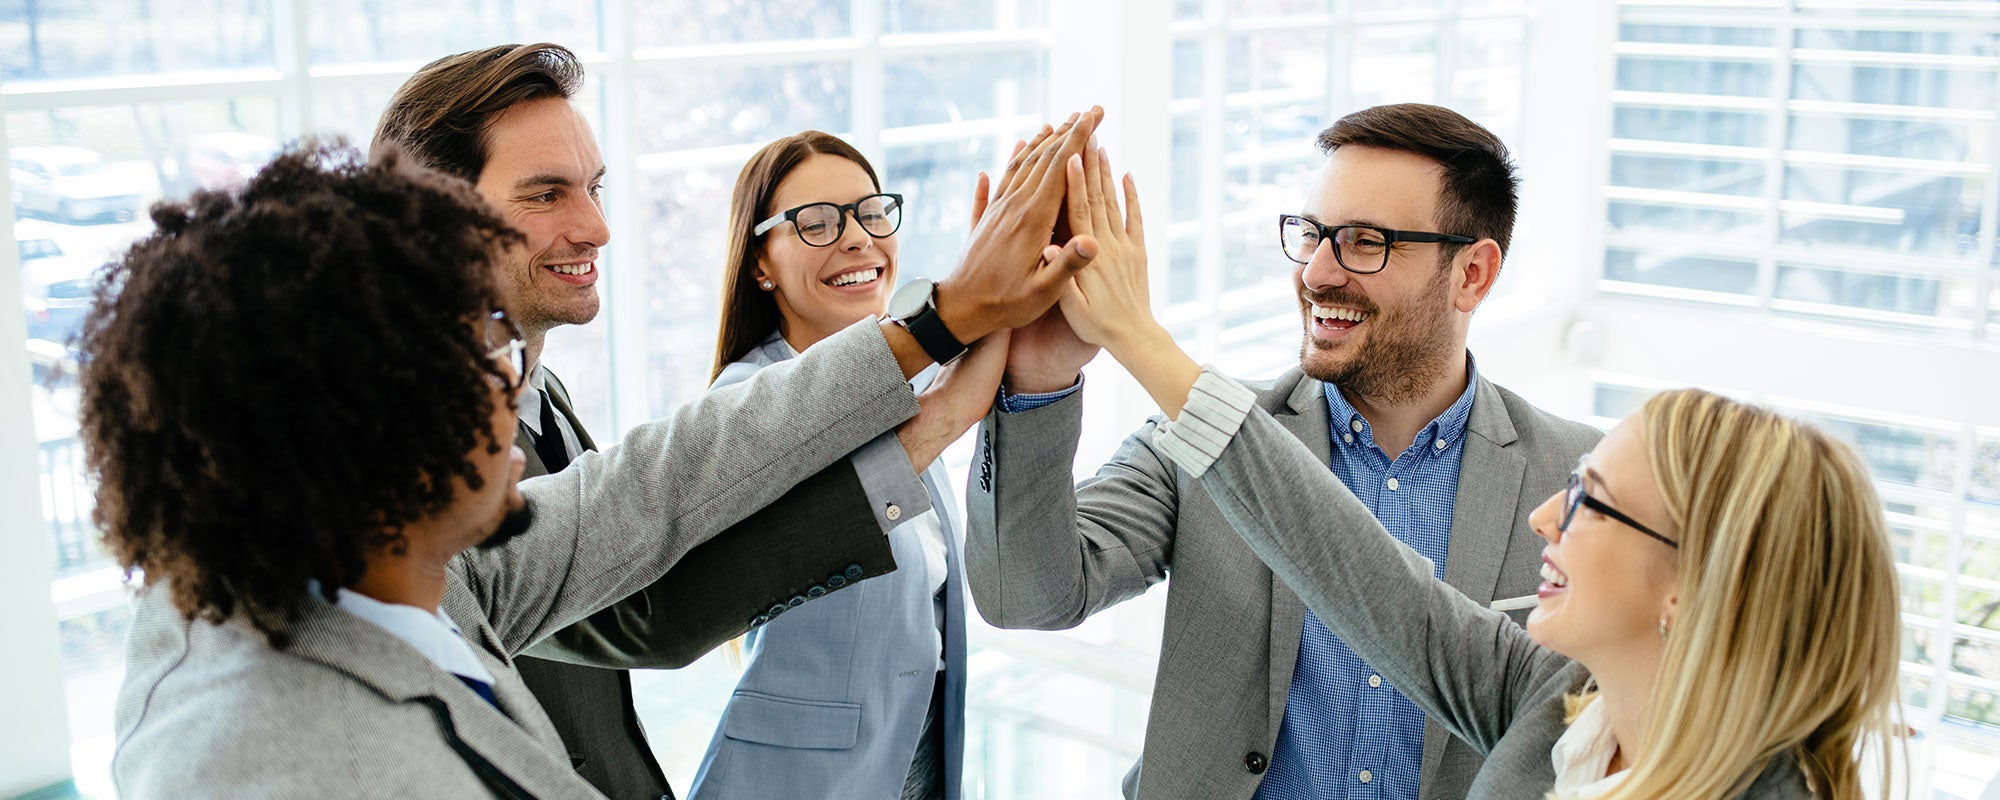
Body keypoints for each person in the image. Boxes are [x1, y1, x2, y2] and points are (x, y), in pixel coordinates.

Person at [103, 126, 1098, 796]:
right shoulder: (249, 753)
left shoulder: (427, 578)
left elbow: (664, 478)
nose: (513, 374)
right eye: (484, 342)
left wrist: (943, 325)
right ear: (364, 411)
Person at [1046, 149, 1903, 794]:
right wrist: (1134, 344)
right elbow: (1355, 566)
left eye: (1589, 502)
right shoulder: (1556, 702)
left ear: (1689, 585)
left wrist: (1142, 338)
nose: (1545, 517)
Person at [367, 43, 993, 798]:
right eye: (545, 195)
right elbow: (645, 611)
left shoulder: (542, 393)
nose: (596, 226)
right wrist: (943, 360)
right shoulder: (409, 461)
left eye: (593, 188)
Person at [966, 104, 1601, 798]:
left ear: (1473, 274)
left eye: (1365, 242)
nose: (1318, 273)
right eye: (1312, 234)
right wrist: (1040, 380)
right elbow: (1022, 596)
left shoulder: (1579, 482)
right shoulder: (1191, 443)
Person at [688, 131, 976, 800]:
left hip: (915, 758)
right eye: (816, 223)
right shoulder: (747, 401)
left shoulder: (898, 393)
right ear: (762, 263)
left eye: (871, 213)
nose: (857, 239)